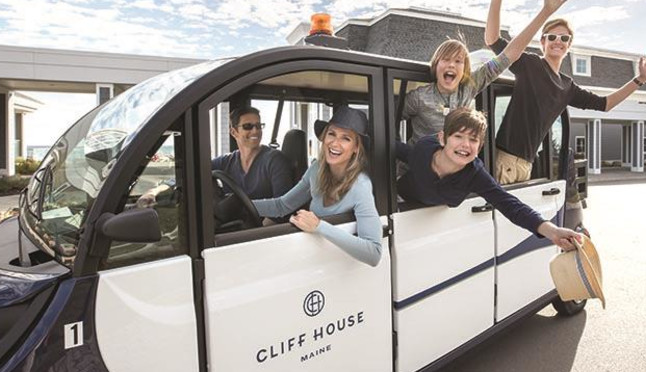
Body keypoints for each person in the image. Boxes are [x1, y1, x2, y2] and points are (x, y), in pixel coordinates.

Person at [485, 0, 646, 184]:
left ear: (569, 46)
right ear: (543, 42)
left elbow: (605, 104)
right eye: (551, 37)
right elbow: (492, 39)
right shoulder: (530, 65)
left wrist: (640, 79)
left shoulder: (567, 86)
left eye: (564, 38)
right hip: (506, 161)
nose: (557, 41)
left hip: (526, 166)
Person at [401, 0, 573, 146]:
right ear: (435, 65)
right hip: (421, 168)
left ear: (465, 70)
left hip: (455, 166)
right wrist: (404, 154)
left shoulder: (469, 86)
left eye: (458, 61)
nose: (452, 64)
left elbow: (508, 56)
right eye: (446, 60)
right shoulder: (418, 97)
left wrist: (544, 12)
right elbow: (385, 122)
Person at [397, 107, 582, 251]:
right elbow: (394, 149)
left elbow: (510, 204)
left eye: (473, 139)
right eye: (458, 136)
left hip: (437, 210)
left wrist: (553, 231)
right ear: (442, 139)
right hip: (401, 196)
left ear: (480, 146)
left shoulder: (475, 174)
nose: (465, 145)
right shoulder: (423, 149)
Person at [252, 106, 383, 267]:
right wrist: (241, 205)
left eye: (345, 138)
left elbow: (374, 253)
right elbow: (282, 206)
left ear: (356, 148)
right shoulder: (317, 170)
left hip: (339, 268)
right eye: (331, 134)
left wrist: (319, 226)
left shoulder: (360, 186)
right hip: (313, 259)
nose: (335, 143)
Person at [137, 106, 293, 208]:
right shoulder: (226, 161)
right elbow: (191, 173)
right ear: (234, 132)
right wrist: (154, 192)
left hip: (260, 234)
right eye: (248, 126)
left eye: (258, 126)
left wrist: (256, 235)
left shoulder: (274, 160)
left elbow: (283, 209)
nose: (255, 131)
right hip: (233, 227)